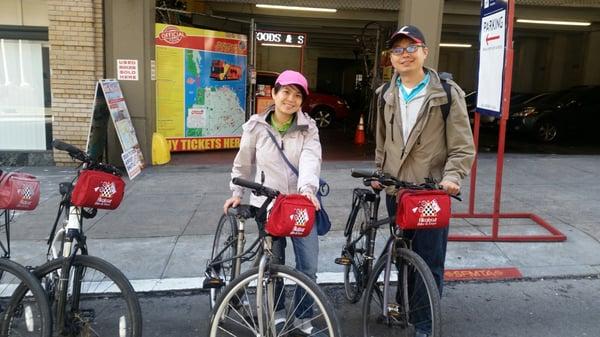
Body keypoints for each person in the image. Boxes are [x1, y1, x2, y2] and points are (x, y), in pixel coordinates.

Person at [372, 25, 476, 337]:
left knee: (429, 261)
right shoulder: (384, 94)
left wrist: (453, 176)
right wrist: (379, 173)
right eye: (397, 50)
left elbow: (462, 145)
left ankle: (425, 325)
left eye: (410, 48)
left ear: (424, 52)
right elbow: (382, 141)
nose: (404, 55)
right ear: (391, 58)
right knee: (402, 255)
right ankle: (404, 308)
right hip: (396, 189)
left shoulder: (446, 93)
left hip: (430, 191)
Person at [223, 70, 324, 336]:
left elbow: (310, 160)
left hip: (301, 204)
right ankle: (278, 313)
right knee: (274, 264)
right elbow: (243, 163)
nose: (291, 99)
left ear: (302, 101)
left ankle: (303, 318)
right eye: (286, 92)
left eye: (298, 95)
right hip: (267, 205)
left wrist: (307, 189)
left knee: (308, 266)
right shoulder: (256, 126)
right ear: (274, 93)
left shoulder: (308, 128)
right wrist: (237, 192)